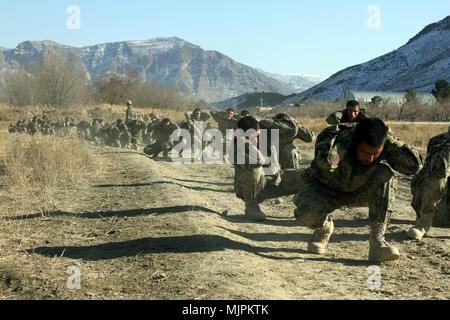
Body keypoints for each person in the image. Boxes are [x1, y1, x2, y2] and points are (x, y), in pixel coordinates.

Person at [293, 118, 422, 263]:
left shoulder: (381, 143)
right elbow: (326, 163)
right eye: (366, 152)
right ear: (356, 142)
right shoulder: (334, 136)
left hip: (360, 191)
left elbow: (414, 166)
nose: (371, 158)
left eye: (376, 153)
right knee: (305, 212)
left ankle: (377, 243)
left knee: (385, 174)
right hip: (328, 189)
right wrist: (346, 139)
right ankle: (324, 228)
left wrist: (390, 142)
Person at [231, 116, 310, 221]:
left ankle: (302, 201)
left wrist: (264, 122)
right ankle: (251, 206)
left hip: (273, 179)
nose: (255, 139)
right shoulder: (240, 146)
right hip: (254, 188)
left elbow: (291, 131)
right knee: (254, 167)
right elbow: (258, 161)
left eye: (256, 135)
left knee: (308, 176)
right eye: (250, 137)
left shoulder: (265, 133)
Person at [408, 127, 450, 239]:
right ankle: (423, 223)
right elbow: (437, 170)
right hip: (438, 207)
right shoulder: (439, 141)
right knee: (437, 176)